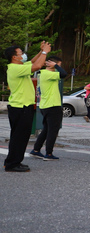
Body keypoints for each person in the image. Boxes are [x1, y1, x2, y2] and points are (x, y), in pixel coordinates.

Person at [4, 42, 51, 173]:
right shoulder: (15, 68)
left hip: (21, 107)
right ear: (14, 57)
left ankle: (13, 161)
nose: (24, 55)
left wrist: (40, 51)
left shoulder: (20, 66)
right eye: (21, 54)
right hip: (21, 107)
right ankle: (12, 164)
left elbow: (32, 62)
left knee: (19, 136)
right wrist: (45, 52)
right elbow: (37, 65)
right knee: (20, 137)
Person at [29, 56, 66, 161]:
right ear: (51, 64)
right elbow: (64, 74)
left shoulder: (42, 74)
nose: (59, 67)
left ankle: (36, 150)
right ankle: (48, 153)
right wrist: (55, 66)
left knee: (46, 130)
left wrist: (55, 66)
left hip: (46, 105)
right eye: (59, 65)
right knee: (53, 130)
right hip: (53, 105)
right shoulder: (49, 74)